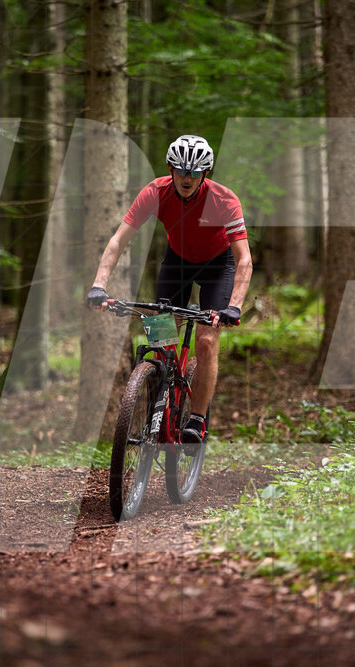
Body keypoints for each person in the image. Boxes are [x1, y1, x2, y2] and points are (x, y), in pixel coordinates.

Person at [87, 134, 252, 444]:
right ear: (170, 169)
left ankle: (197, 419)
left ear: (205, 174)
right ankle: (158, 403)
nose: (186, 179)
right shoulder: (155, 192)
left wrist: (234, 306)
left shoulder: (224, 199)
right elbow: (118, 241)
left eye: (194, 173)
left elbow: (244, 258)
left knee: (205, 340)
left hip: (218, 266)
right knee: (160, 336)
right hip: (177, 262)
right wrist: (99, 284)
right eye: (180, 171)